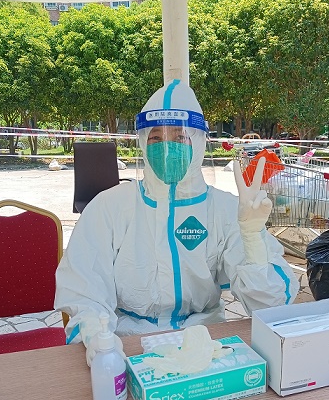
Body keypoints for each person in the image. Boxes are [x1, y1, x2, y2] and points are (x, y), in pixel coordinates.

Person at [55, 80, 299, 366]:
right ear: (143, 143)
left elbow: (270, 303)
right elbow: (84, 288)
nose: (167, 147)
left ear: (199, 142)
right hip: (128, 343)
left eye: (179, 137)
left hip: (206, 343)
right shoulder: (109, 207)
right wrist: (97, 335)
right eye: (156, 138)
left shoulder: (225, 210)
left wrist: (253, 238)